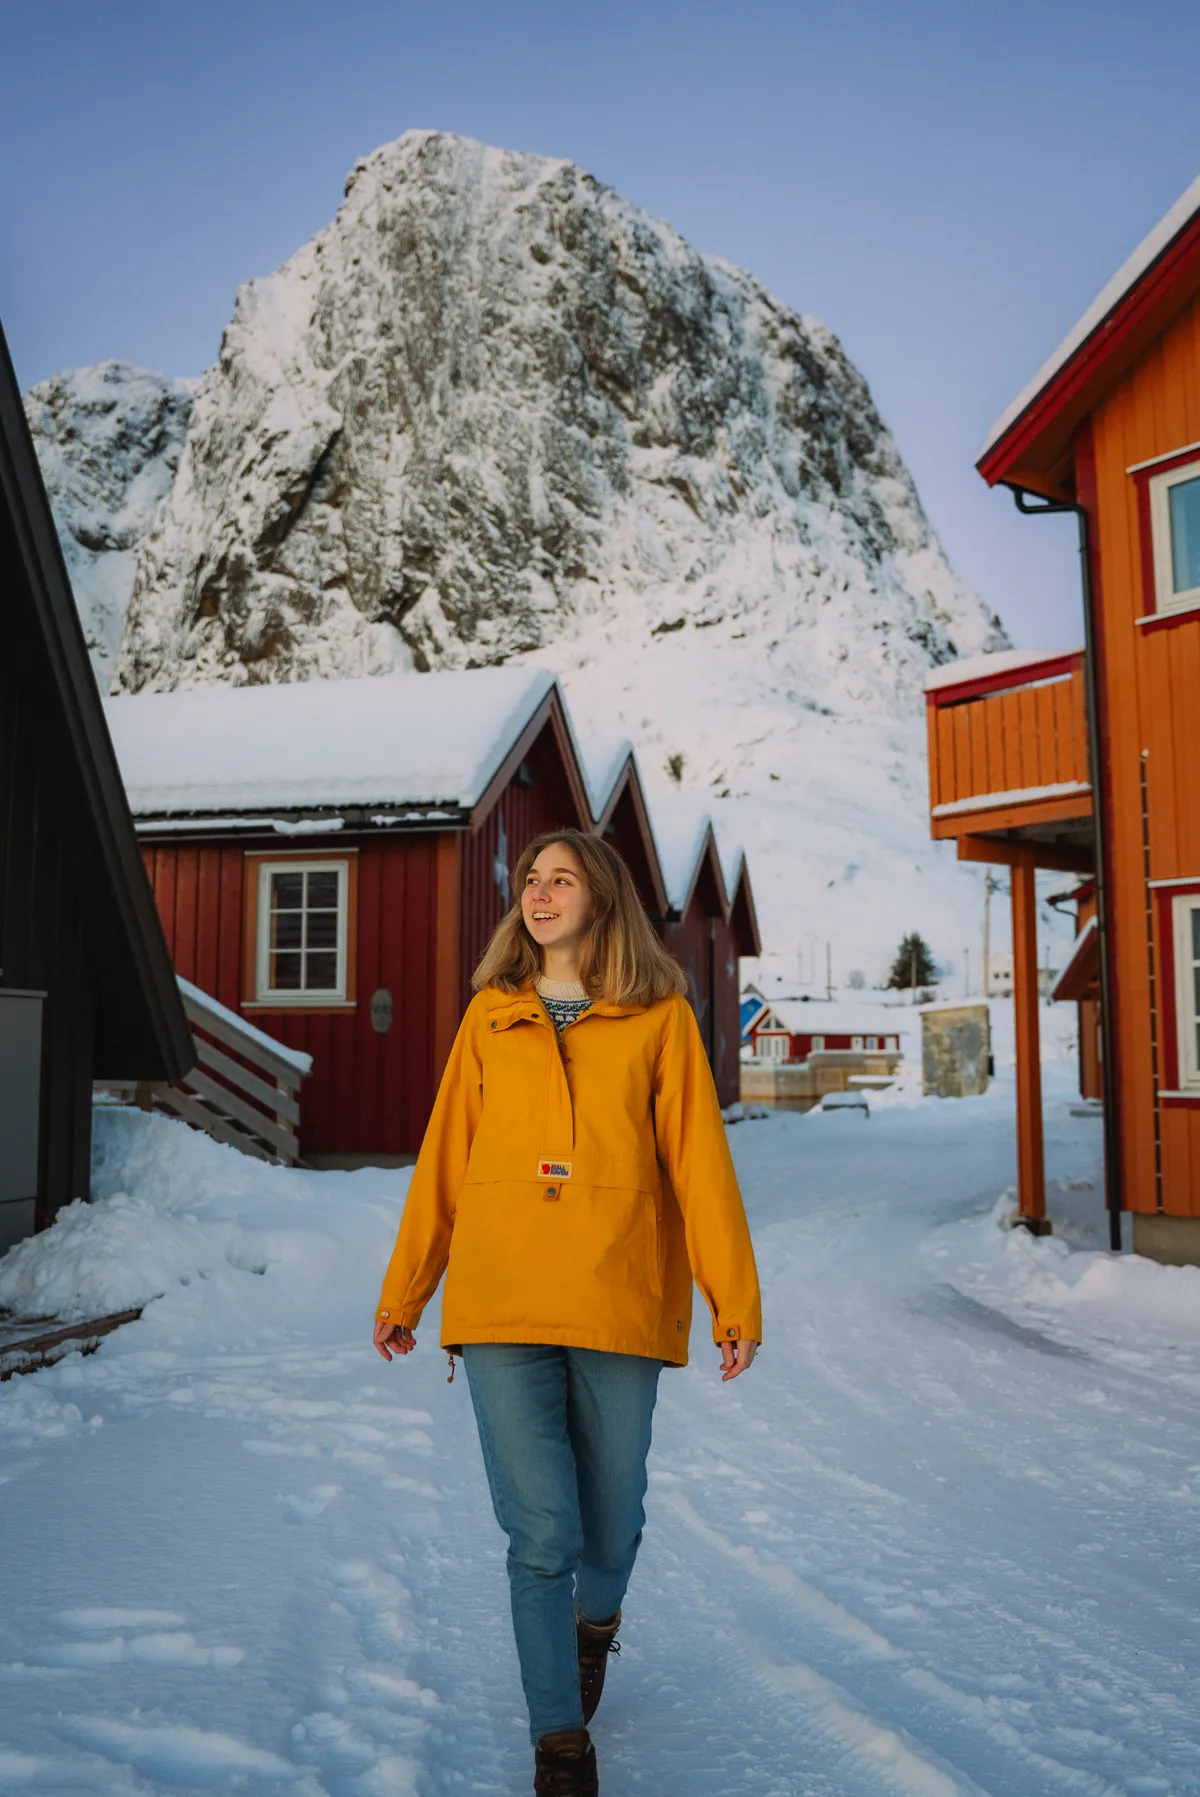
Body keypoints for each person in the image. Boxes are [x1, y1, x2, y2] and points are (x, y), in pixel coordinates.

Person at [374, 828, 761, 1796]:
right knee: (539, 1531)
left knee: (613, 1524)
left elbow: (701, 1172)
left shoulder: (659, 1020)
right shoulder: (489, 1020)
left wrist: (733, 1299)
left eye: (562, 880)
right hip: (501, 1301)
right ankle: (560, 1746)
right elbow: (443, 1166)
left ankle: (598, 1625)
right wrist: (406, 1290)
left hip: (617, 1297)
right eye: (530, 881)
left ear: (604, 898)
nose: (538, 895)